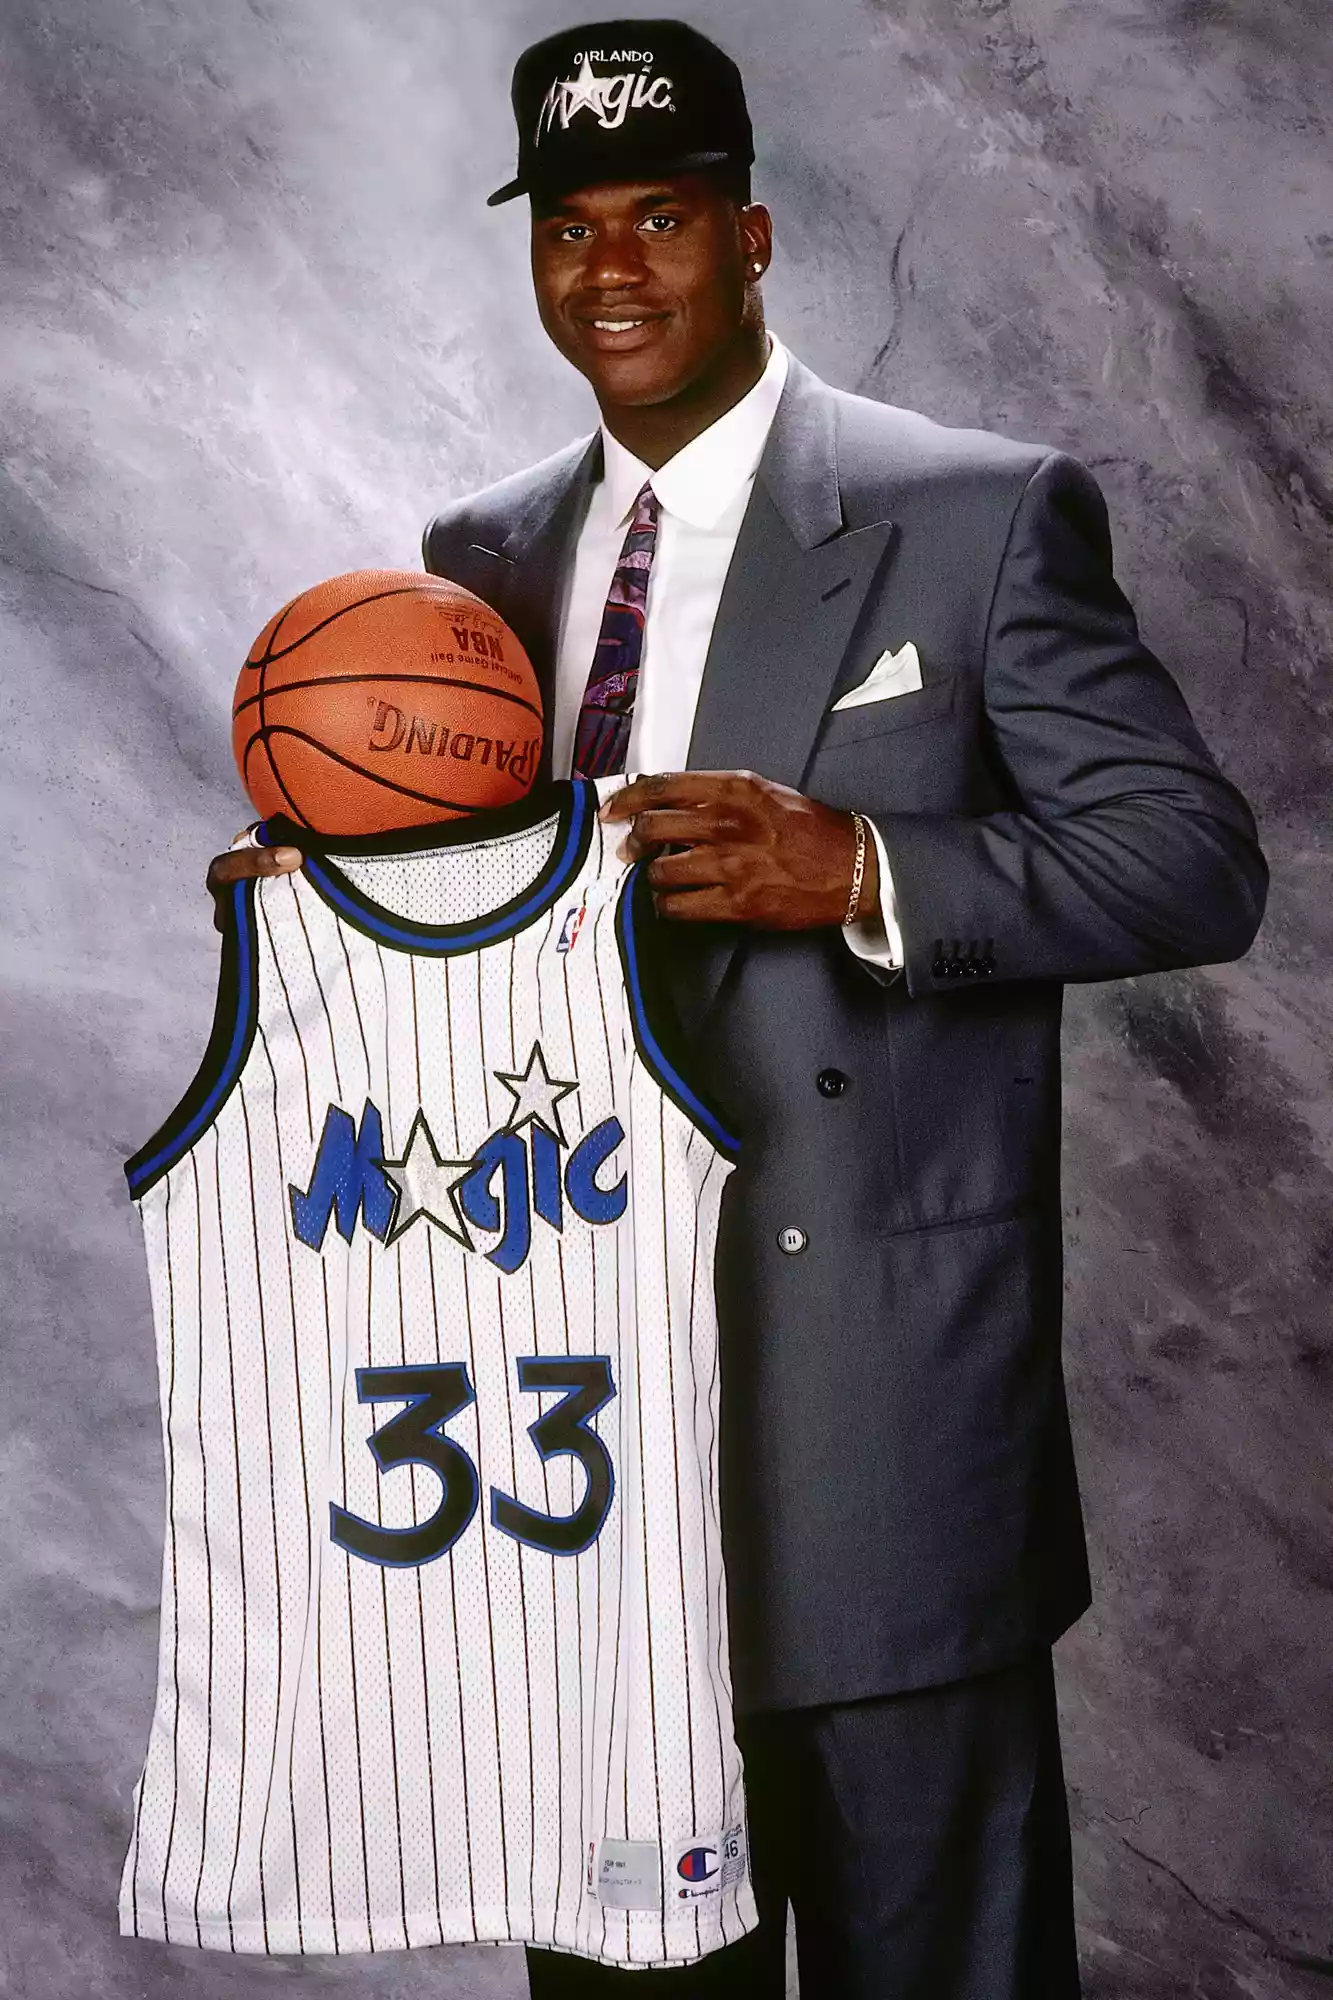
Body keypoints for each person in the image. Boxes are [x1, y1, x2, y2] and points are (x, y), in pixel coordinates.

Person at [208, 18, 1268, 1996]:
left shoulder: (979, 512)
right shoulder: (476, 568)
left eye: (664, 218)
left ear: (753, 234)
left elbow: (1196, 857)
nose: (612, 270)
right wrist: (335, 915)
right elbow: (493, 953)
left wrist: (861, 869)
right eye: (572, 228)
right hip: (587, 1476)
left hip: (886, 1451)